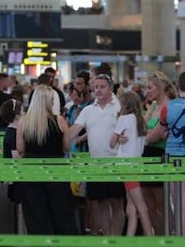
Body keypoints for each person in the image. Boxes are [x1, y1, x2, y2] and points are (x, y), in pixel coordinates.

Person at [146, 71, 185, 235]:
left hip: (175, 157)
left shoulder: (169, 107)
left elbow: (159, 131)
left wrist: (142, 140)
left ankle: (182, 238)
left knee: (181, 203)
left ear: (178, 86)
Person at [14, 85, 77, 234]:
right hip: (56, 173)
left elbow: (20, 149)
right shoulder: (59, 121)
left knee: (36, 218)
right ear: (50, 101)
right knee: (61, 216)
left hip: (30, 173)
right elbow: (67, 147)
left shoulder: (24, 122)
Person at [68, 72, 124, 237]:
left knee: (117, 203)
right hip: (95, 164)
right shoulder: (88, 110)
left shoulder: (120, 107)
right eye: (96, 87)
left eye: (102, 87)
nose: (98, 90)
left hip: (116, 163)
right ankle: (107, 237)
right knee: (101, 204)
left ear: (111, 88)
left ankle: (117, 239)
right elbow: (73, 132)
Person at [112, 89, 154, 236]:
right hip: (136, 165)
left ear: (124, 103)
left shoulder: (124, 119)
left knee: (140, 206)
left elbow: (111, 143)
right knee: (132, 207)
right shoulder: (141, 120)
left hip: (126, 166)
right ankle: (130, 238)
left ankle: (150, 237)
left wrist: (118, 138)